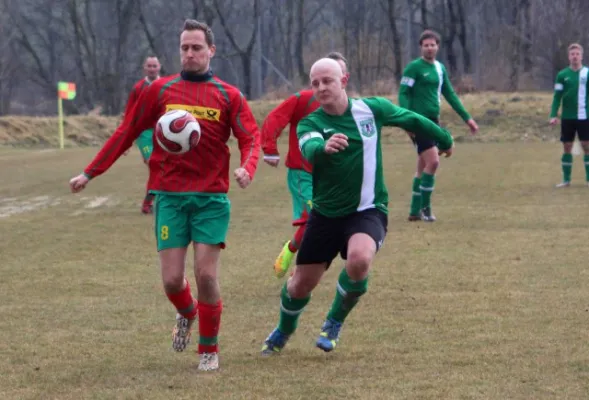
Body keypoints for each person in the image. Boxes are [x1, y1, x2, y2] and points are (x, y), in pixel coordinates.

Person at [69, 19, 261, 371]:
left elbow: (251, 137)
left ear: (211, 51)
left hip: (211, 199)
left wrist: (248, 168)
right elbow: (127, 131)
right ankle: (187, 313)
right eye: (184, 47)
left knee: (205, 276)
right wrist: (90, 172)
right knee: (173, 280)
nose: (189, 53)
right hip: (170, 197)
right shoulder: (160, 91)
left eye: (196, 47)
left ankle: (208, 350)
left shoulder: (228, 95)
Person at [261, 57, 454, 355]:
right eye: (315, 83)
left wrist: (444, 138)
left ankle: (334, 322)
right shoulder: (311, 122)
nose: (322, 87)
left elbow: (411, 119)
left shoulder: (371, 109)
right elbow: (308, 147)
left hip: (368, 209)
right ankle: (284, 329)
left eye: (328, 80)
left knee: (360, 260)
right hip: (325, 215)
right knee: (299, 286)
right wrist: (323, 148)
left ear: (344, 79)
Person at [261, 52, 349, 279]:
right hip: (303, 173)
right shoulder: (303, 99)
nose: (326, 84)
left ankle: (301, 257)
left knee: (330, 223)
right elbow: (274, 118)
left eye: (334, 76)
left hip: (331, 177)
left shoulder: (351, 109)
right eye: (322, 78)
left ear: (343, 78)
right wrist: (269, 149)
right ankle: (293, 256)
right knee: (314, 219)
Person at [398, 29, 478, 222]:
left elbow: (450, 94)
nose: (429, 48)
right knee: (433, 161)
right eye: (426, 45)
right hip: (417, 121)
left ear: (438, 47)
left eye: (433, 44)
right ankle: (426, 209)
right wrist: (406, 119)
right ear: (421, 47)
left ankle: (414, 210)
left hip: (433, 122)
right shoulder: (413, 68)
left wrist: (467, 118)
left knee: (423, 165)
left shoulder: (440, 69)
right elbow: (403, 93)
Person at [123, 56, 161, 214]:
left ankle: (154, 202)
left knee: (164, 168)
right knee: (155, 165)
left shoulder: (166, 85)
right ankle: (148, 203)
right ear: (144, 68)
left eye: (154, 66)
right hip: (145, 134)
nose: (152, 68)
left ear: (159, 67)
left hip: (162, 132)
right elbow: (129, 115)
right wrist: (126, 142)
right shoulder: (138, 88)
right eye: (149, 66)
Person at [550, 42, 589, 188]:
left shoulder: (587, 73)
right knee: (567, 146)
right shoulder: (562, 75)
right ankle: (566, 180)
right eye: (572, 54)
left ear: (581, 56)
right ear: (568, 57)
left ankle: (588, 179)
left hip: (584, 116)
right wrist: (553, 114)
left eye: (577, 54)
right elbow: (557, 96)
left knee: (587, 146)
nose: (575, 56)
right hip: (567, 117)